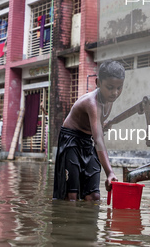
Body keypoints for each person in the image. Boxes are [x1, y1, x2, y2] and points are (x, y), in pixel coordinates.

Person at [53, 60, 123, 201]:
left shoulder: (109, 99)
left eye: (119, 88)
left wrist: (102, 126)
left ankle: (88, 222)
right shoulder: (92, 102)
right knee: (71, 194)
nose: (115, 92)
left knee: (93, 195)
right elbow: (98, 140)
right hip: (70, 140)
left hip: (86, 141)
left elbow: (95, 128)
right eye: (110, 87)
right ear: (98, 82)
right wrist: (109, 172)